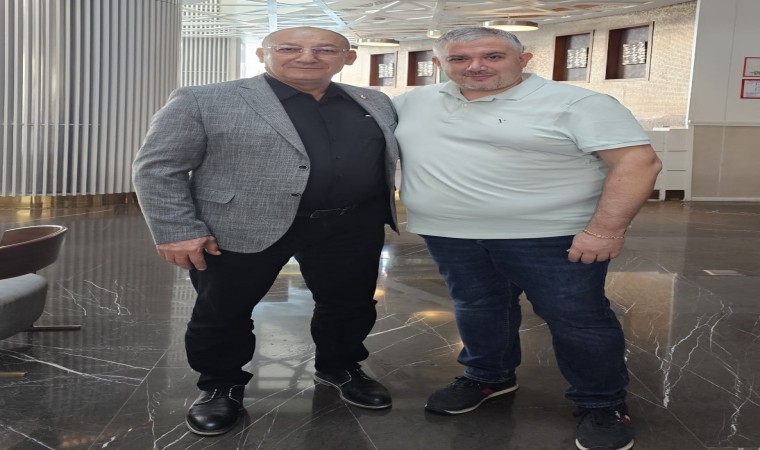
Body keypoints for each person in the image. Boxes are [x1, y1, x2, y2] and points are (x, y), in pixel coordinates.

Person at [393, 27, 662, 450]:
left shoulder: (578, 104)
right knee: (478, 306)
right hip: (450, 234)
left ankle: (602, 403)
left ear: (524, 59)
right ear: (440, 64)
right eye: (459, 59)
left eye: (492, 56)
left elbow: (638, 163)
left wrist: (605, 230)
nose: (475, 66)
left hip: (550, 237)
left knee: (577, 318)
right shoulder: (412, 102)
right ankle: (488, 377)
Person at [133, 26, 399, 436]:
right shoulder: (203, 99)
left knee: (350, 303)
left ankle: (341, 367)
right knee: (224, 309)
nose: (307, 57)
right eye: (289, 48)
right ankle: (220, 384)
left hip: (351, 223)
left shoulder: (373, 101)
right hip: (240, 223)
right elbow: (158, 167)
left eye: (324, 49)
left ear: (348, 57)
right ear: (262, 54)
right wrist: (176, 229)